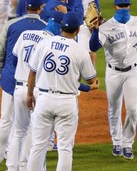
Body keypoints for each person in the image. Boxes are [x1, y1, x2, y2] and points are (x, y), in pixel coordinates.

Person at [0, 0, 47, 171]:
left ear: (25, 6)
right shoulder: (45, 27)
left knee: (6, 121)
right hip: (35, 84)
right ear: (41, 8)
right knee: (30, 127)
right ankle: (25, 165)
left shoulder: (11, 24)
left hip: (11, 80)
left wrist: (4, 72)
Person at [89, 0, 137, 160]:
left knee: (133, 109)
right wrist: (95, 29)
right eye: (121, 6)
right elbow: (93, 47)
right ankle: (116, 141)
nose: (124, 8)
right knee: (114, 108)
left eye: (126, 5)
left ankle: (128, 143)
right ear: (115, 7)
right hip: (113, 73)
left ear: (130, 6)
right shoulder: (105, 27)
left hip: (133, 72)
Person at [26, 11, 98, 171]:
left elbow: (32, 72)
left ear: (61, 27)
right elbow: (91, 80)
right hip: (66, 102)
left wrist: (30, 94)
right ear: (77, 31)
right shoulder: (79, 51)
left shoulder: (44, 43)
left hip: (43, 99)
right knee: (65, 148)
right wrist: (92, 58)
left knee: (38, 146)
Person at [6, 11, 65, 171]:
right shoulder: (52, 43)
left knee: (18, 131)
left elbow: (15, 56)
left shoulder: (26, 34)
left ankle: (11, 168)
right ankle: (26, 166)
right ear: (60, 27)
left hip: (18, 88)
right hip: (36, 91)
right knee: (35, 132)